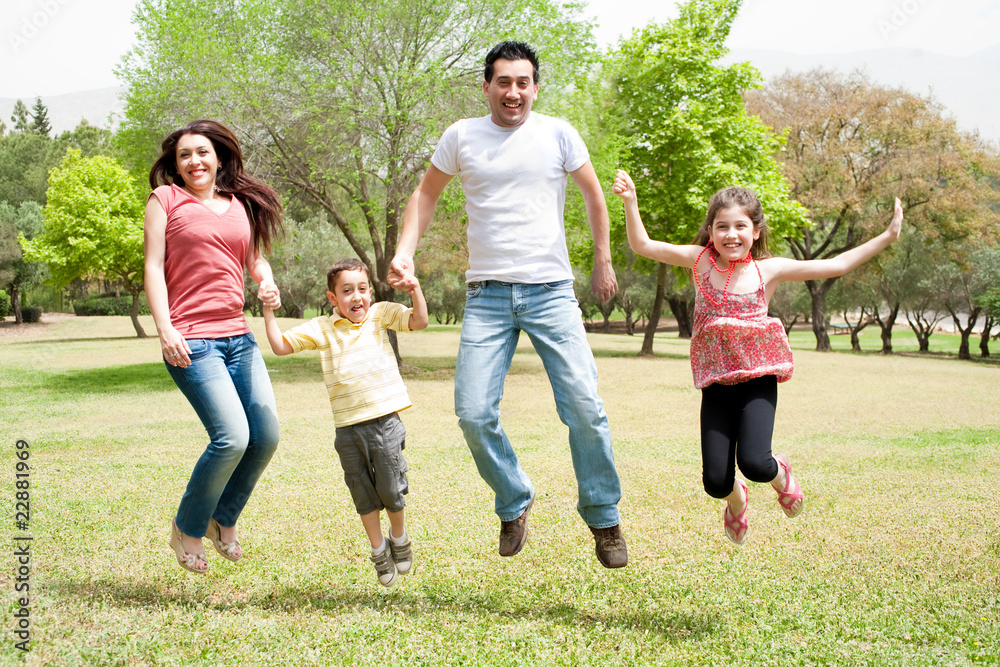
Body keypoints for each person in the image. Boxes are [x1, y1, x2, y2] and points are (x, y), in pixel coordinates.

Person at [388, 41, 628, 569]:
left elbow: (592, 195)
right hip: (487, 296)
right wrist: (405, 251)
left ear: (535, 87)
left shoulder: (559, 133)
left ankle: (603, 515)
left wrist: (603, 261)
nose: (513, 92)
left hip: (550, 292)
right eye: (503, 82)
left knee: (585, 407)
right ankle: (515, 498)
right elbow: (426, 195)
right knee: (473, 413)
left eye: (523, 82)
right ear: (487, 86)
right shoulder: (461, 136)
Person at [612, 169, 903, 545]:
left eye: (740, 226)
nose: (730, 234)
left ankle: (781, 474)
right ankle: (738, 500)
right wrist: (631, 202)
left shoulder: (769, 270)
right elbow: (643, 245)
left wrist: (887, 236)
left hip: (758, 379)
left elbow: (837, 266)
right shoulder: (699, 262)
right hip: (716, 383)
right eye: (721, 227)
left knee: (754, 463)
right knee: (716, 482)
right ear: (711, 231)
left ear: (755, 231)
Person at [145, 119, 284, 574]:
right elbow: (153, 266)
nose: (194, 161)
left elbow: (252, 260)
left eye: (202, 152)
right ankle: (187, 527)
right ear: (176, 164)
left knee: (265, 437)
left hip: (238, 337)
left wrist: (266, 281)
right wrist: (165, 329)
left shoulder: (239, 204)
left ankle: (222, 518)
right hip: (191, 338)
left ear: (219, 157)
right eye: (184, 155)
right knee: (232, 438)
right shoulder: (166, 200)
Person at [262, 258, 429, 587]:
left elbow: (419, 321)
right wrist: (268, 310)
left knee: (392, 488)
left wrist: (415, 289)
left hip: (384, 421)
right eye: (347, 291)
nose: (357, 297)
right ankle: (378, 549)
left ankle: (399, 537)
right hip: (347, 427)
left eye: (362, 289)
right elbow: (280, 347)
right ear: (333, 298)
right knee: (362, 492)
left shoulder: (381, 314)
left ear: (370, 291)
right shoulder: (322, 328)